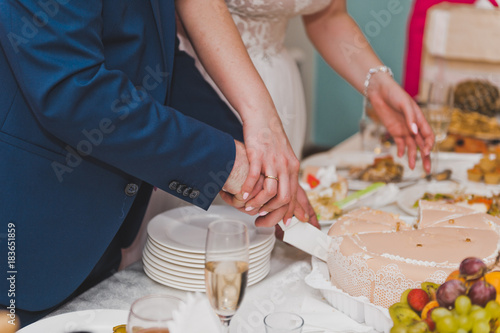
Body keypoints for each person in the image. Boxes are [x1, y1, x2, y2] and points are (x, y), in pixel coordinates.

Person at [0, 0, 314, 327]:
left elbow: (159, 66)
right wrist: (227, 162)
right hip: (27, 232)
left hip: (99, 231)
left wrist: (251, 163)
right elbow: (74, 91)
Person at [175, 0, 435, 175]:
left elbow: (327, 15)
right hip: (202, 80)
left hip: (280, 87)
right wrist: (259, 111)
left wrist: (378, 83)